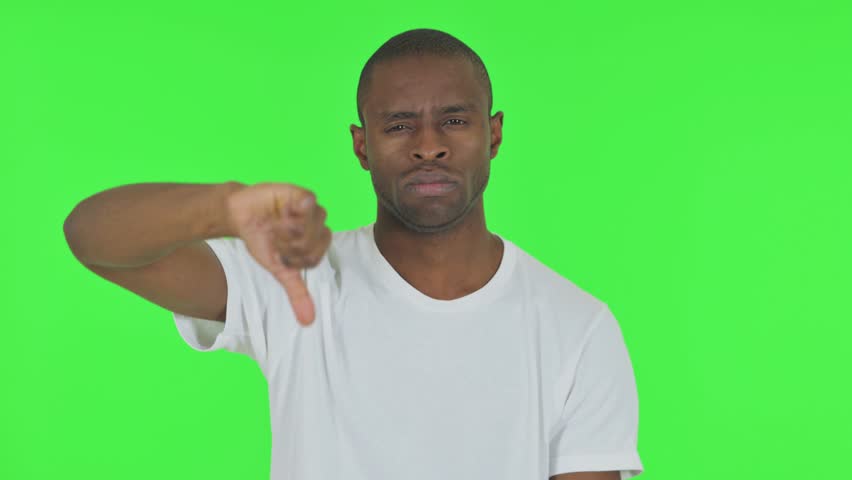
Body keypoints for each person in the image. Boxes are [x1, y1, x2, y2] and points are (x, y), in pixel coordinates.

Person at [64, 28, 644, 480]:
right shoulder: (295, 279)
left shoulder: (578, 326)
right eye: (398, 125)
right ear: (361, 146)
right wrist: (224, 207)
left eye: (455, 121)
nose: (428, 145)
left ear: (493, 135)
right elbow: (92, 239)